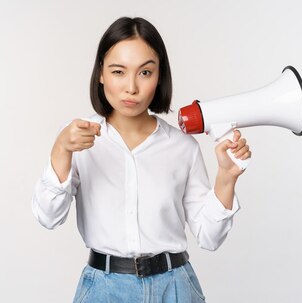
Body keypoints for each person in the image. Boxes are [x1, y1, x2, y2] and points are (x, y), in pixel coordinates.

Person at [31, 16, 251, 302]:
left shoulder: (183, 147)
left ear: (159, 76)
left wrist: (227, 177)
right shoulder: (77, 138)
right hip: (103, 290)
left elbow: (210, 238)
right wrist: (61, 150)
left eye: (145, 73)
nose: (131, 88)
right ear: (101, 73)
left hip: (176, 288)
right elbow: (48, 217)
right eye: (118, 71)